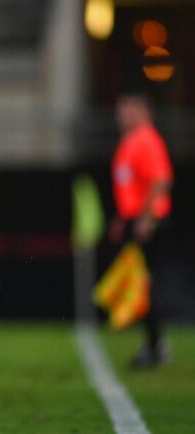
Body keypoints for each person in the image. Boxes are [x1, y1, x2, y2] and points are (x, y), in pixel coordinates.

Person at [108, 94, 174, 369]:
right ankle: (153, 342)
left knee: (146, 284)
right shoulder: (130, 141)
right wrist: (122, 218)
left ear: (141, 111)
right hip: (135, 219)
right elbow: (130, 185)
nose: (120, 116)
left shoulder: (147, 139)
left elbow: (161, 180)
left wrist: (146, 218)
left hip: (150, 221)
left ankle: (156, 345)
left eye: (126, 111)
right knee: (139, 283)